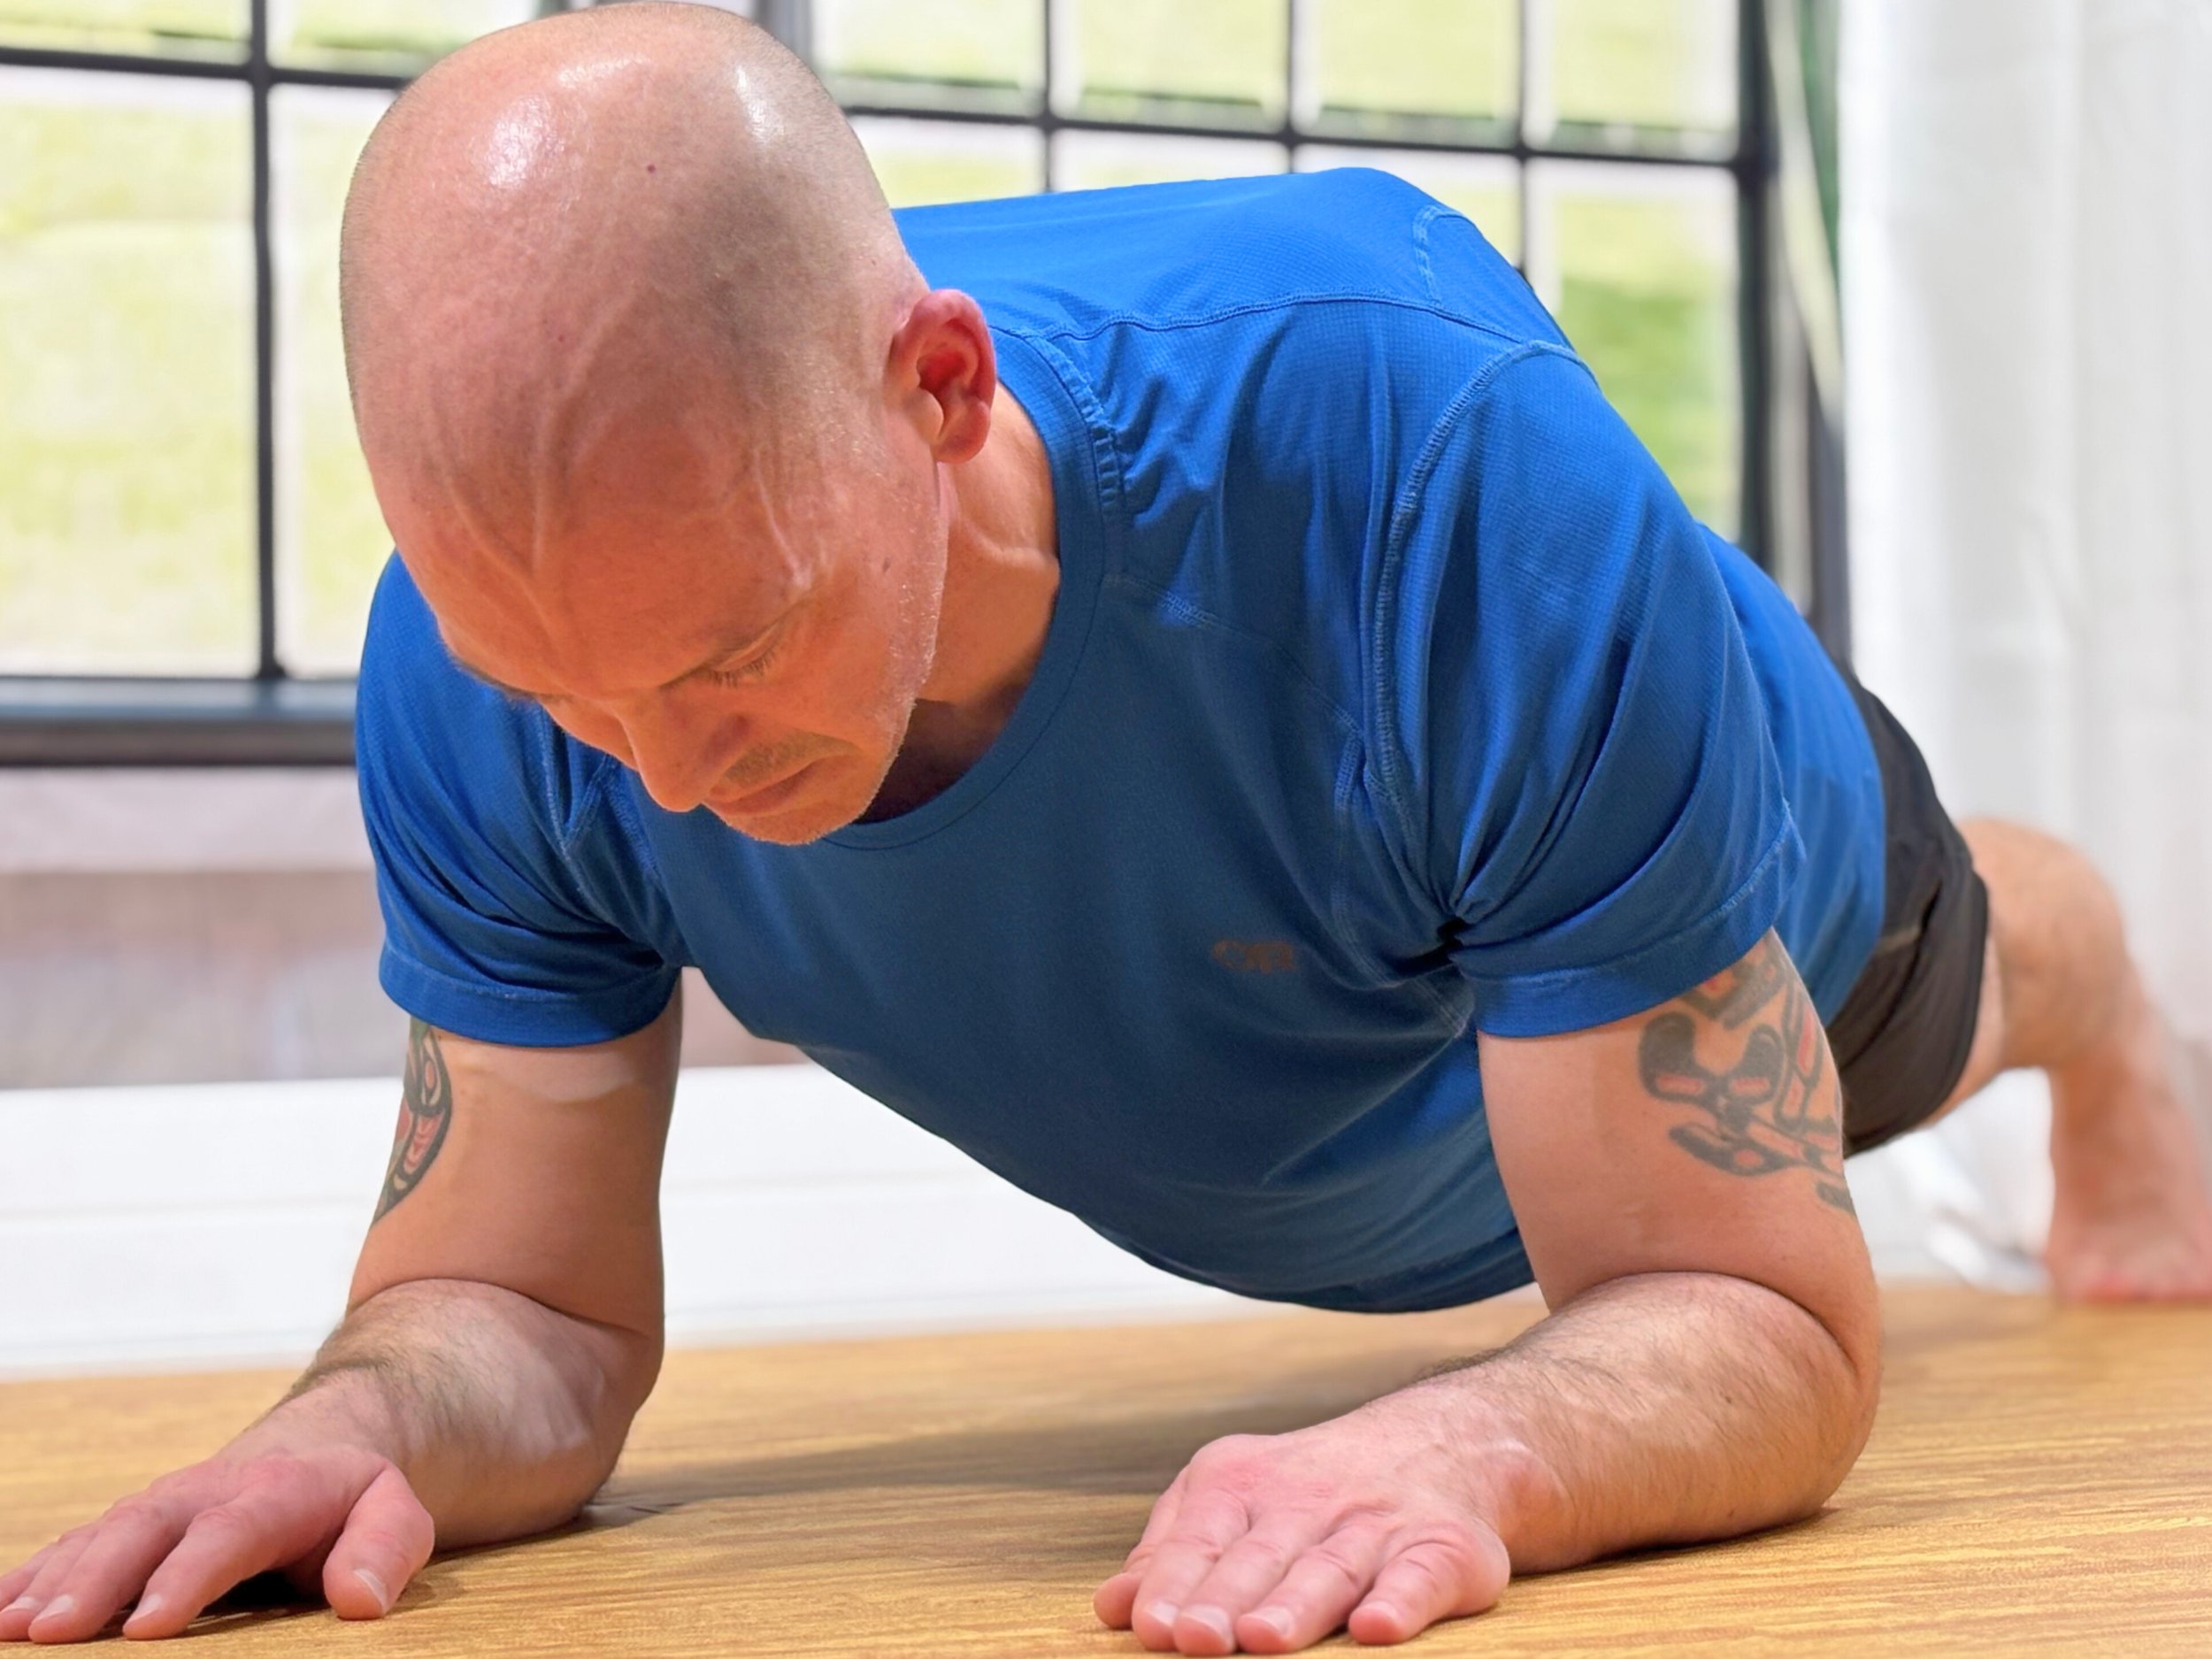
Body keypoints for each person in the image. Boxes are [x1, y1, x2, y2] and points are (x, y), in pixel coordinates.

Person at [5, 4, 2208, 1651]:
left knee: (1991, 973)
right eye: (562, 687)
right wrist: (358, 1415)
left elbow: (1756, 1310)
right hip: (1294, 1075)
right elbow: (509, 1292)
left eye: (729, 656)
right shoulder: (491, 668)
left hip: (1774, 910)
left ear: (941, 390)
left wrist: (1469, 1436)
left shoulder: (1430, 466)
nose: (657, 780)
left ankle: (2118, 1040)